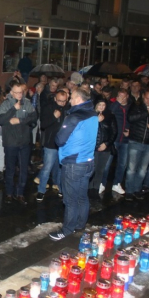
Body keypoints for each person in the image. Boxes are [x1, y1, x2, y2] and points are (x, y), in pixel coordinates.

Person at [49, 88, 98, 241]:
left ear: (78, 99)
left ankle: (67, 229)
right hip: (88, 161)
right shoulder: (93, 114)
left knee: (70, 200)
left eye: (72, 98)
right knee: (82, 196)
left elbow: (59, 140)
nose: (69, 101)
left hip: (73, 163)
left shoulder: (73, 117)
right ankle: (80, 224)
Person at [0, 82, 37, 202]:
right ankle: (9, 192)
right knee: (10, 168)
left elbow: (34, 117)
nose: (20, 95)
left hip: (24, 141)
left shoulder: (27, 103)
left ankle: (20, 193)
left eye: (21, 92)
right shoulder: (5, 104)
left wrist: (20, 120)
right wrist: (13, 109)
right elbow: (2, 120)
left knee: (23, 168)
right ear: (11, 92)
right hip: (10, 142)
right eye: (17, 92)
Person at [124, 89, 149, 201]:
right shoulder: (136, 106)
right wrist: (147, 113)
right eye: (147, 98)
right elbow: (130, 118)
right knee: (131, 168)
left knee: (143, 169)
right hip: (135, 141)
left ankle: (137, 190)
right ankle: (129, 191)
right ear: (143, 96)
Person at [35, 90, 69, 202]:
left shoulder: (68, 108)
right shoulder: (48, 107)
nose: (62, 103)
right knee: (47, 168)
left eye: (64, 101)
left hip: (64, 143)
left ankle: (60, 188)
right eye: (60, 101)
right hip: (51, 143)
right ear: (55, 99)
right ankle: (41, 190)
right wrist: (54, 117)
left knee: (60, 168)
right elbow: (43, 124)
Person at [102, 89, 131, 195]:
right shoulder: (113, 105)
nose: (121, 98)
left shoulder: (130, 107)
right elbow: (109, 113)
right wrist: (117, 103)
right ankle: (102, 183)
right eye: (119, 96)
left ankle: (117, 183)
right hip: (114, 139)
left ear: (127, 96)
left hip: (125, 140)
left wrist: (130, 131)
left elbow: (133, 120)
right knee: (107, 164)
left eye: (123, 96)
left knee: (122, 164)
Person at [89, 100, 117, 195]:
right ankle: (89, 188)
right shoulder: (90, 115)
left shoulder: (110, 116)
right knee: (92, 168)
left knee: (101, 169)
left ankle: (96, 188)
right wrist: (96, 121)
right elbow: (87, 131)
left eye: (103, 105)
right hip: (92, 147)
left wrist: (106, 144)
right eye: (99, 104)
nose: (101, 107)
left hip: (105, 148)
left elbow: (114, 132)